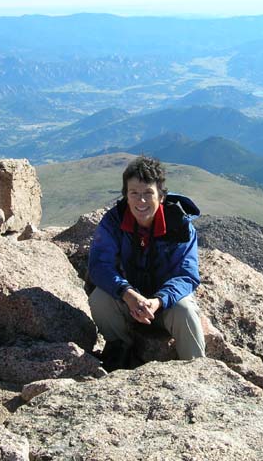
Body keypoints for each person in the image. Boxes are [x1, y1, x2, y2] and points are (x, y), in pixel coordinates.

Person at [88, 156, 206, 371]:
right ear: (126, 195)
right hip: (129, 300)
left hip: (165, 303)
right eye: (134, 193)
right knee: (100, 299)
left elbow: (187, 275)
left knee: (186, 310)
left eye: (148, 193)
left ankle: (197, 369)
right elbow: (98, 265)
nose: (141, 201)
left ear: (161, 196)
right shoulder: (114, 221)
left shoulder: (179, 226)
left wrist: (159, 301)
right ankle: (120, 352)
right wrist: (127, 293)